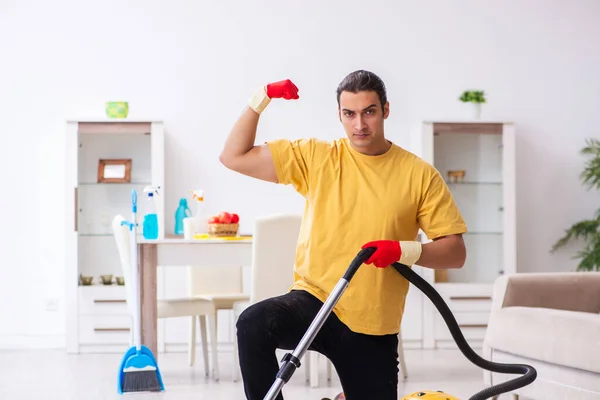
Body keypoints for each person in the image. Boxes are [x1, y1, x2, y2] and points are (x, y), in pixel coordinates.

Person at [219, 70, 468, 400]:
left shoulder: (419, 174)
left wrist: (402, 250)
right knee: (253, 324)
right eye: (349, 114)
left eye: (369, 112)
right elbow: (233, 156)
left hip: (373, 323)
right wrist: (261, 97)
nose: (359, 125)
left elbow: (455, 252)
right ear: (339, 115)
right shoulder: (318, 157)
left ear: (386, 110)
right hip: (315, 302)